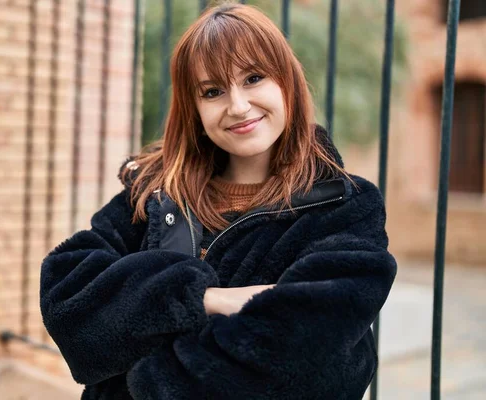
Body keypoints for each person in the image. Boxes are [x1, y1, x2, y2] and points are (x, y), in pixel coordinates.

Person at [40, 3, 397, 399]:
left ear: (287, 83)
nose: (238, 106)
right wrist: (206, 298)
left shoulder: (344, 205)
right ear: (194, 109)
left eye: (254, 78)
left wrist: (143, 376)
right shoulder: (155, 191)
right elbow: (68, 297)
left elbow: (312, 352)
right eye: (213, 91)